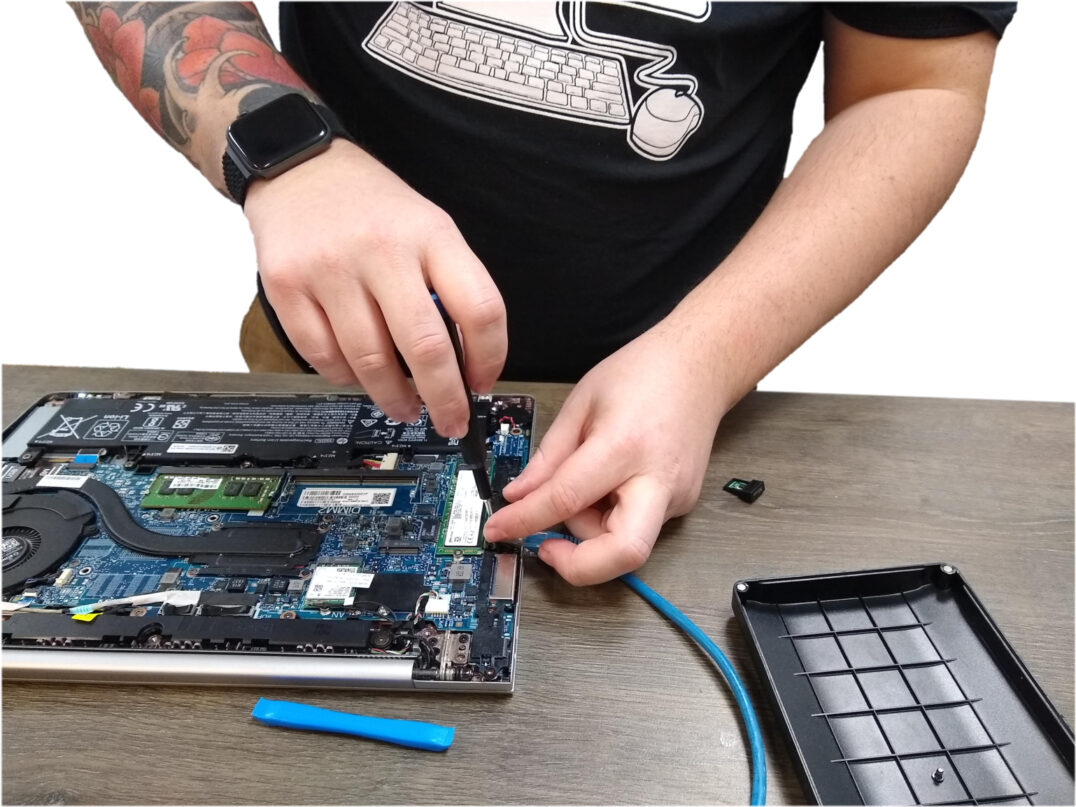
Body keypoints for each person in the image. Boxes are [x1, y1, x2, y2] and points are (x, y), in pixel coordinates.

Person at [74, 2, 1015, 585]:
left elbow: (914, 84)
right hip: (333, 363)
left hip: (681, 408)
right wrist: (283, 153)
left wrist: (704, 357)